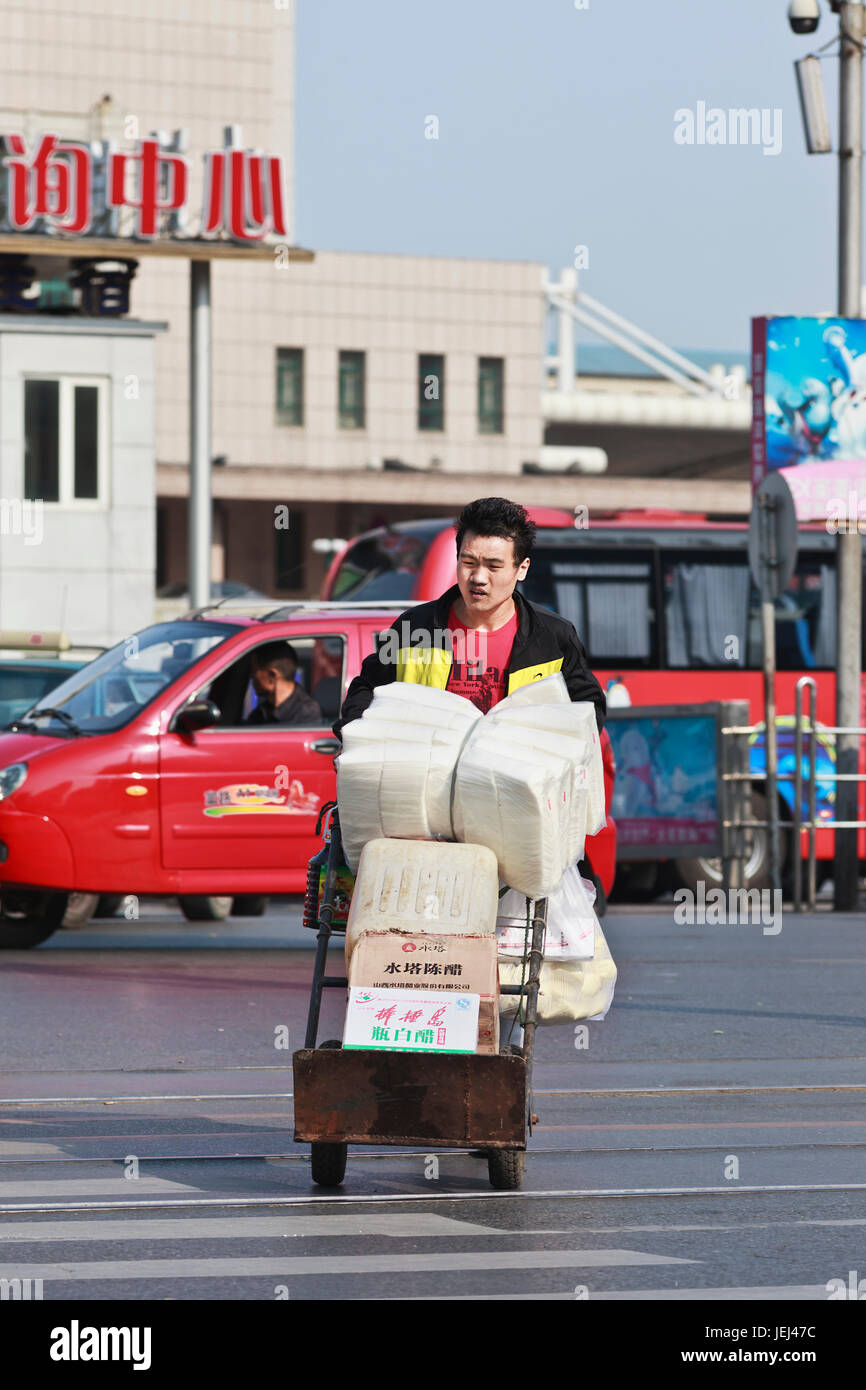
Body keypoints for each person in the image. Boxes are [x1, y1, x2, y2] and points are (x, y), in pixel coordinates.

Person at [335, 496, 605, 733]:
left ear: (521, 568)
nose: (478, 577)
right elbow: (366, 690)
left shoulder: (553, 637)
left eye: (493, 566)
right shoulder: (414, 627)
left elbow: (588, 709)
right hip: (429, 787)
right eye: (468, 563)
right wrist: (356, 740)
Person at [246, 642, 323, 725]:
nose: (251, 677)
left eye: (254, 672)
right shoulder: (261, 713)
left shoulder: (307, 712)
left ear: (272, 674)